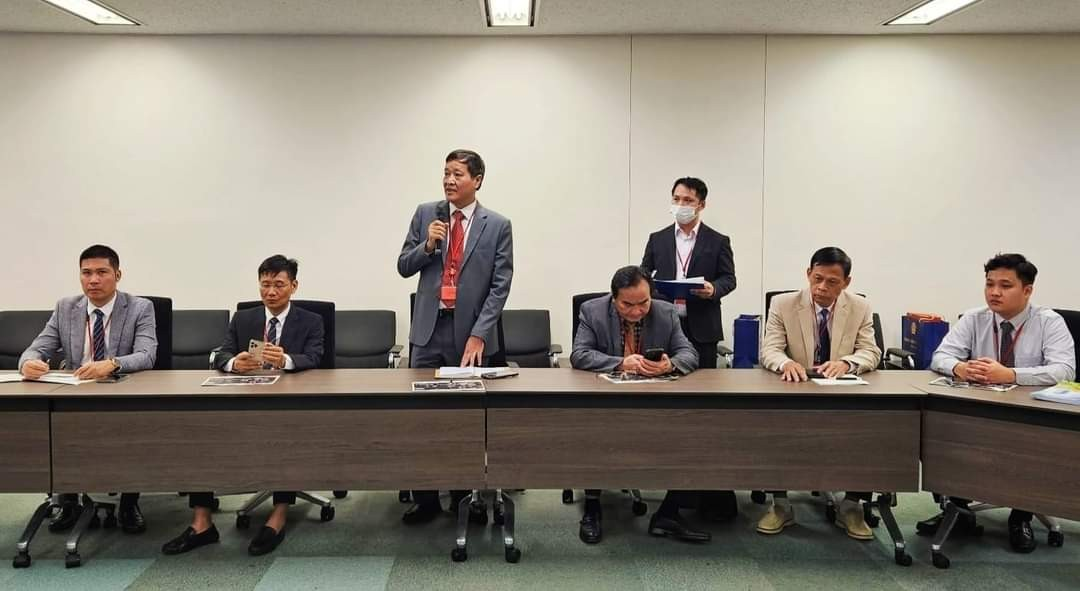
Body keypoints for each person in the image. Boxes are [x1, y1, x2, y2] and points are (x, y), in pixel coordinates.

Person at [162, 255, 325, 557]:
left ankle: (278, 516)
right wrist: (234, 363)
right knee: (199, 431)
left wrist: (286, 360)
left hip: (289, 402)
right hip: (245, 398)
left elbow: (315, 357)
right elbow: (221, 354)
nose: (271, 291)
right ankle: (202, 523)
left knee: (286, 436)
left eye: (279, 285)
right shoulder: (243, 318)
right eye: (265, 284)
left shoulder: (311, 320)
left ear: (294, 286)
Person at [918, 253, 1075, 553]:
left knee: (1030, 446)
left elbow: (1064, 370)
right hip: (980, 408)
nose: (994, 292)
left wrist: (1011, 374)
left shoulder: (1049, 322)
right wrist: (959, 368)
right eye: (990, 284)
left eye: (1005, 285)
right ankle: (958, 510)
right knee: (941, 432)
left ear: (1027, 290)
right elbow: (940, 356)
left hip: (1031, 413)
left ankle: (1021, 516)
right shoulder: (974, 318)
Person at [396, 149, 514, 525]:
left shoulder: (498, 225)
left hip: (469, 336)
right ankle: (426, 498)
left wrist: (480, 334)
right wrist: (428, 245)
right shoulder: (425, 214)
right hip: (428, 332)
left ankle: (466, 499)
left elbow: (500, 285)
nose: (449, 180)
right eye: (446, 172)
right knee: (422, 418)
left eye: (457, 174)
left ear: (477, 180)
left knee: (465, 419)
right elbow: (403, 266)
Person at [19, 244, 157, 535]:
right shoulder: (66, 307)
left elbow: (147, 355)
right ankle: (69, 502)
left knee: (131, 430)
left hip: (121, 390)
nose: (93, 280)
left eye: (102, 272)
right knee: (58, 428)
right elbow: (37, 347)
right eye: (86, 273)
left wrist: (112, 364)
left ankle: (129, 501)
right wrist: (28, 363)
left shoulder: (139, 307)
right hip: (75, 391)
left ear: (117, 275)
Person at [570, 265, 707, 544]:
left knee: (692, 431)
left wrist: (671, 364)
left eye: (643, 302)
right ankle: (592, 506)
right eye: (627, 305)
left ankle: (668, 513)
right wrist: (620, 362)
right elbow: (579, 354)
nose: (636, 311)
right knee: (593, 430)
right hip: (606, 401)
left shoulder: (666, 312)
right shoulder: (592, 311)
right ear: (614, 298)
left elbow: (689, 353)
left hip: (654, 400)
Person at [758, 246, 881, 540]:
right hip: (795, 388)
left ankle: (851, 506)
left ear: (846, 282)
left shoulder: (860, 306)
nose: (822, 287)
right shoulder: (783, 304)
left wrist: (847, 363)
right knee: (773, 425)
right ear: (808, 274)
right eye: (817, 278)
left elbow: (871, 351)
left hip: (841, 391)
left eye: (832, 282)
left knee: (871, 428)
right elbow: (770, 349)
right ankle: (781, 504)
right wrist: (786, 363)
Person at [640, 176, 738, 521]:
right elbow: (643, 275)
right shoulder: (657, 239)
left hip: (702, 329)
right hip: (664, 326)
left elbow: (729, 278)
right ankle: (667, 474)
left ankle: (699, 486)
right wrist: (655, 288)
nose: (681, 205)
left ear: (701, 205)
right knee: (664, 403)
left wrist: (714, 289)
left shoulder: (717, 240)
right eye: (676, 198)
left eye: (688, 200)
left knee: (700, 407)